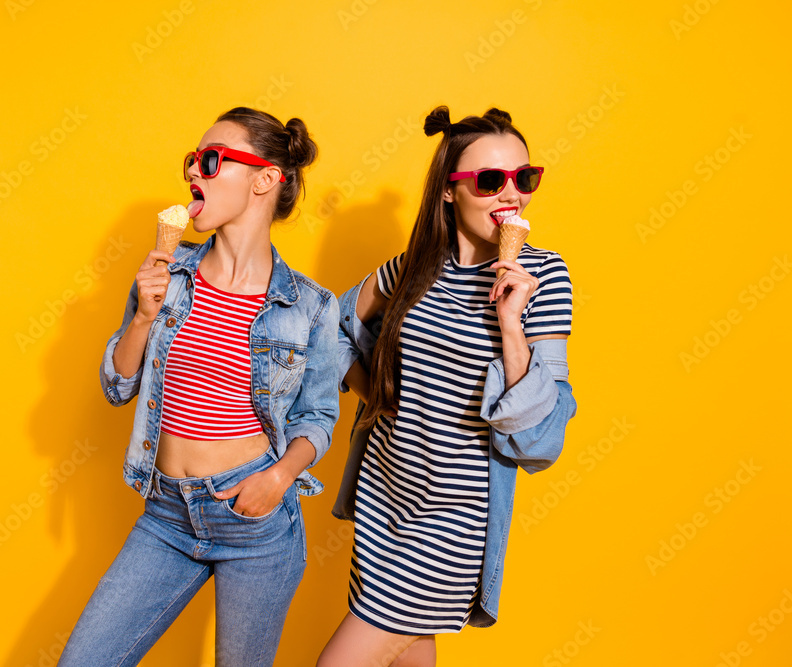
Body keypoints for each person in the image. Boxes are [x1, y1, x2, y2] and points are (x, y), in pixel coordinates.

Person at [57, 107, 339, 667]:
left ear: (264, 179)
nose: (194, 173)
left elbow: (319, 418)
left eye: (211, 161)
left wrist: (278, 478)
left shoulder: (310, 305)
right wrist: (142, 316)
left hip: (253, 520)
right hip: (166, 511)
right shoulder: (169, 275)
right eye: (192, 161)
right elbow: (118, 388)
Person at [318, 106, 577, 666]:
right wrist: (376, 393)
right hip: (383, 506)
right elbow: (330, 327)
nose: (512, 195)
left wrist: (512, 326)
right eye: (490, 180)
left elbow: (542, 441)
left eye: (524, 178)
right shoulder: (411, 268)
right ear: (449, 192)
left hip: (452, 525)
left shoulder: (546, 278)